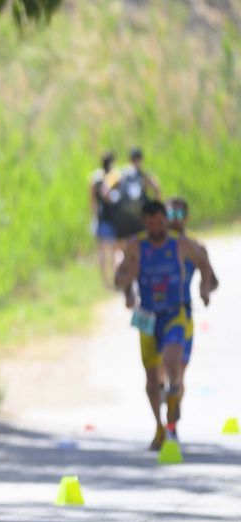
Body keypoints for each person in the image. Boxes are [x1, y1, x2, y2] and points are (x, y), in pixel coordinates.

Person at [115, 200, 213, 450]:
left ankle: (174, 393)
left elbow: (203, 263)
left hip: (174, 313)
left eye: (160, 222)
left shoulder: (180, 244)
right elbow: (119, 278)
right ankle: (159, 426)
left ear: (165, 221)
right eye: (151, 223)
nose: (156, 228)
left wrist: (203, 288)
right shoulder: (136, 246)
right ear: (144, 222)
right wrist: (129, 283)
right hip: (147, 316)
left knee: (172, 362)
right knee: (150, 381)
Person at [166, 197, 219, 439]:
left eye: (178, 216)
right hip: (155, 315)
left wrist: (204, 289)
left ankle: (172, 423)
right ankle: (163, 418)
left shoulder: (195, 247)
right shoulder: (153, 245)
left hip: (182, 314)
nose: (173, 220)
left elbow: (213, 278)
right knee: (157, 375)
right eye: (170, 215)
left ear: (186, 218)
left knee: (177, 373)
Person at [90, 152, 117, 287]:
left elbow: (92, 201)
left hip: (101, 219)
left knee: (102, 252)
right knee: (112, 252)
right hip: (112, 219)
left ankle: (106, 280)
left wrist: (93, 218)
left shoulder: (96, 179)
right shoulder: (113, 178)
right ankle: (112, 278)